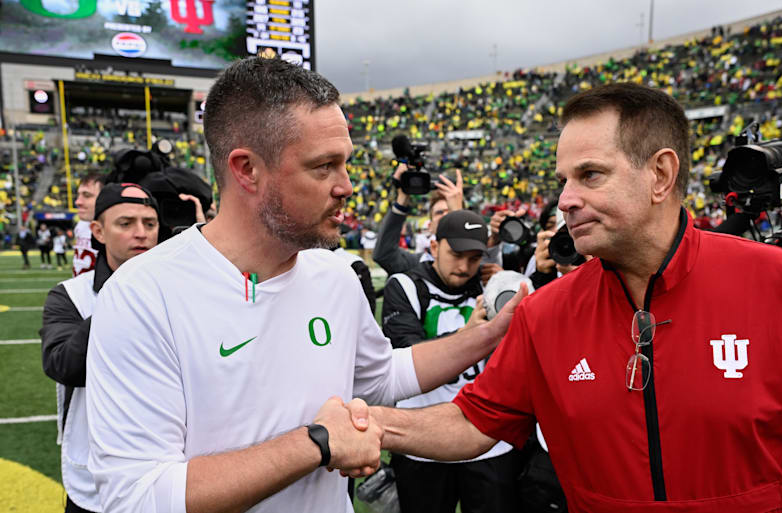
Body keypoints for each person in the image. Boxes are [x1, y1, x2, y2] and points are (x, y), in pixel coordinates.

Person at [366, 83, 782, 512]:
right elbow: (472, 422)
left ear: (661, 174)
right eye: (563, 180)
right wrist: (369, 424)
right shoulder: (545, 312)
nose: (566, 200)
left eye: (590, 175)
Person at [85, 57, 523, 513]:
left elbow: (381, 377)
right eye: (323, 166)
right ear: (246, 170)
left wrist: (486, 336)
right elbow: (135, 496)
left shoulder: (334, 274)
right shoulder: (143, 294)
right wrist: (315, 443)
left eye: (345, 163)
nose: (346, 186)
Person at [381, 209, 520, 513]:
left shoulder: (492, 287)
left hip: (489, 443)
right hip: (421, 444)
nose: (465, 266)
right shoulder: (405, 285)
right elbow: (407, 352)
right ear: (433, 247)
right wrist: (466, 335)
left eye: (474, 258)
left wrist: (505, 289)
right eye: (456, 254)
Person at [40, 183, 161, 513]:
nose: (141, 234)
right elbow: (63, 365)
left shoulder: (178, 288)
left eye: (150, 224)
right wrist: (122, 293)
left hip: (170, 466)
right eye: (126, 224)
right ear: (98, 231)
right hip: (95, 476)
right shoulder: (71, 295)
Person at [72, 173, 103, 277]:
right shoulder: (81, 225)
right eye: (78, 195)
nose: (78, 202)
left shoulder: (116, 231)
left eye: (87, 195)